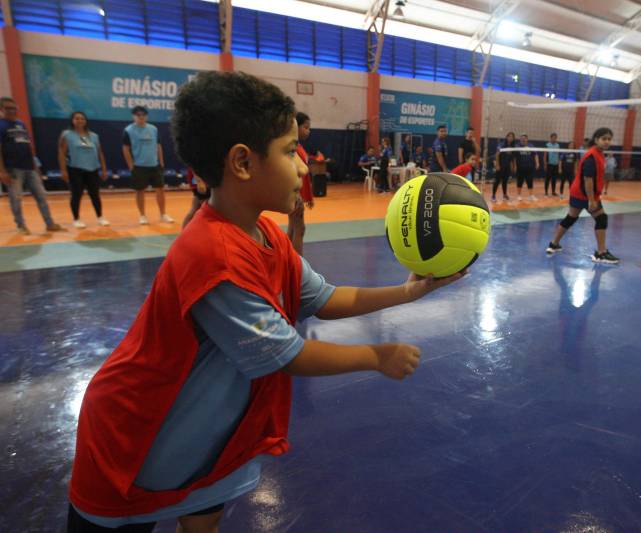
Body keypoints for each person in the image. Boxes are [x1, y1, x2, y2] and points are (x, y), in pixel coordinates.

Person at [67, 71, 465, 532]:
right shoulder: (213, 255)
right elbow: (286, 353)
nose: (302, 166)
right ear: (242, 162)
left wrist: (410, 291)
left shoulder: (267, 237)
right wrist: (376, 355)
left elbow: (326, 298)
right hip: (136, 436)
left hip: (206, 434)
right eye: (289, 150)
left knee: (202, 519)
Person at [545, 127, 619, 264]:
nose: (607, 141)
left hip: (577, 192)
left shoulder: (598, 154)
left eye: (609, 139)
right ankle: (601, 253)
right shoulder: (592, 156)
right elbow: (588, 180)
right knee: (602, 218)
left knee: (571, 218)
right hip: (585, 194)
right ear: (596, 140)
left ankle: (553, 244)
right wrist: (591, 200)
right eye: (604, 139)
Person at [0, 96, 63, 234]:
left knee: (41, 196)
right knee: (16, 199)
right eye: (8, 108)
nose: (11, 110)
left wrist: (35, 167)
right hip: (13, 169)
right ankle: (21, 226)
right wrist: (2, 171)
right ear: (1, 109)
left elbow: (28, 147)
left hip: (30, 168)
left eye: (13, 108)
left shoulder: (21, 124)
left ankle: (49, 223)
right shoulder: (1, 125)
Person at [122, 106, 174, 225]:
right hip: (139, 166)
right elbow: (125, 148)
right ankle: (142, 215)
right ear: (133, 116)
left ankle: (163, 214)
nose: (141, 117)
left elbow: (158, 145)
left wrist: (161, 161)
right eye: (138, 115)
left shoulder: (153, 129)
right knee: (140, 191)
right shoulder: (128, 130)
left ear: (146, 116)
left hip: (154, 165)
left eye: (143, 115)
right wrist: (131, 165)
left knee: (160, 190)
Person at [58, 111, 110, 228]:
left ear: (86, 121)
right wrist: (63, 170)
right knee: (76, 194)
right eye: (77, 118)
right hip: (75, 169)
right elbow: (62, 153)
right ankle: (76, 219)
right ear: (72, 120)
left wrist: (104, 168)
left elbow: (100, 153)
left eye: (82, 118)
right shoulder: (67, 135)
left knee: (95, 194)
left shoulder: (94, 136)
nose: (80, 120)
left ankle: (100, 217)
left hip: (92, 169)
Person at [288, 111, 314, 254]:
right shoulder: (293, 148)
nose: (308, 131)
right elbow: (294, 173)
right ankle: (298, 265)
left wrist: (309, 197)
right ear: (295, 126)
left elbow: (306, 175)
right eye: (305, 127)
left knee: (293, 226)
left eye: (309, 128)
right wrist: (297, 194)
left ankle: (288, 259)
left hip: (298, 194)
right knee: (300, 228)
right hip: (295, 195)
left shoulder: (299, 147)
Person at [492, 132, 517, 203]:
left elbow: (513, 158)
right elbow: (497, 154)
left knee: (505, 181)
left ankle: (504, 195)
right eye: (509, 136)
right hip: (501, 165)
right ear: (507, 137)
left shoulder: (512, 146)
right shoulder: (502, 144)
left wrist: (514, 166)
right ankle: (493, 195)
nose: (511, 138)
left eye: (512, 137)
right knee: (497, 181)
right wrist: (497, 165)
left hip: (507, 166)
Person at [515, 134, 538, 201]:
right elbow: (514, 157)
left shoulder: (531, 146)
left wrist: (537, 163)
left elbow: (535, 155)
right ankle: (519, 195)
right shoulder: (517, 146)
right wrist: (515, 166)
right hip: (520, 167)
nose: (523, 139)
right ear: (520, 139)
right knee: (520, 181)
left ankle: (531, 195)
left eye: (524, 138)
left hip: (529, 167)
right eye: (522, 138)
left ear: (527, 139)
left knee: (530, 181)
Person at [544, 133, 561, 197]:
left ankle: (553, 192)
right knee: (547, 179)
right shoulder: (547, 145)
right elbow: (545, 155)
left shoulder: (558, 145)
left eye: (555, 137)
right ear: (550, 138)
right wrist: (545, 164)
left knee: (554, 179)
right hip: (549, 164)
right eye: (553, 137)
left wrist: (559, 165)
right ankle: (546, 192)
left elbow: (558, 155)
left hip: (555, 164)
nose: (554, 139)